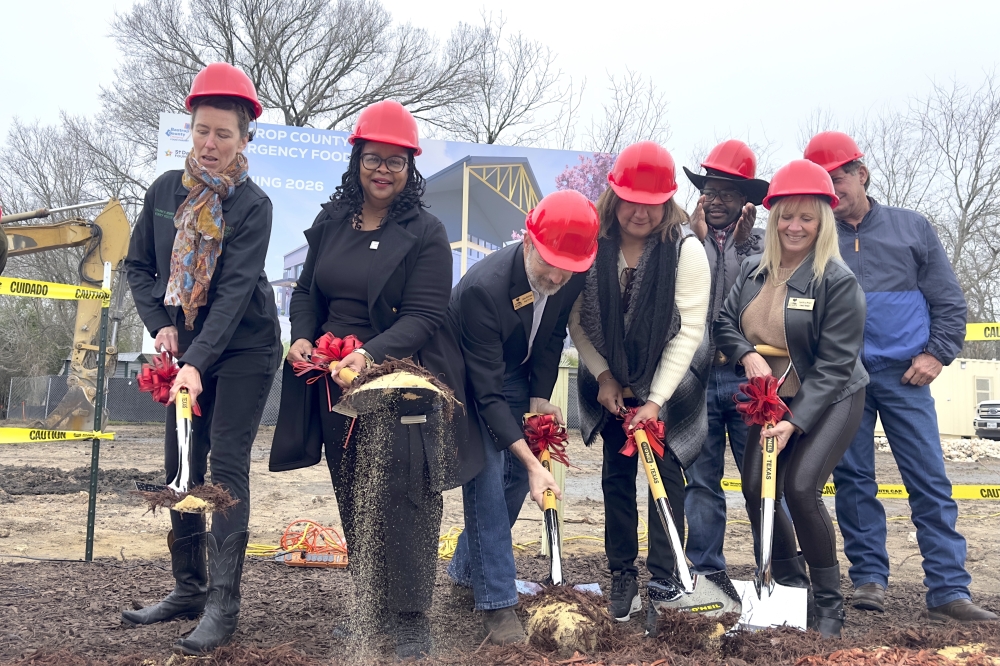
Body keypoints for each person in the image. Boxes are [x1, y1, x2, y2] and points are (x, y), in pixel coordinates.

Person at [268, 100, 484, 660]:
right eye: (373, 159)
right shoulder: (330, 221)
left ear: (409, 168)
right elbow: (308, 291)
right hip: (334, 381)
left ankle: (412, 617)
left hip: (401, 378)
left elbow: (425, 314)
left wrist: (369, 356)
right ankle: (371, 604)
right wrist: (302, 335)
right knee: (353, 491)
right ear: (357, 161)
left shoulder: (426, 231)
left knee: (408, 498)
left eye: (395, 161)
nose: (383, 170)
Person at [806, 131, 999, 623]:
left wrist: (937, 354)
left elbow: (950, 303)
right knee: (853, 480)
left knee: (929, 480)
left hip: (906, 377)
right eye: (823, 181)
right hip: (846, 380)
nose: (833, 187)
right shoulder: (817, 240)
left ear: (861, 173)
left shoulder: (911, 228)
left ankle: (949, 591)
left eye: (839, 176)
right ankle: (869, 579)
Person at [121, 63, 281, 654]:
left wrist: (199, 359)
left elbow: (236, 293)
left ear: (244, 139)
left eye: (224, 135)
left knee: (225, 468)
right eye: (201, 132)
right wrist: (162, 327)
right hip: (186, 344)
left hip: (242, 346)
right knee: (181, 467)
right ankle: (187, 589)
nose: (210, 145)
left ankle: (223, 604)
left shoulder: (252, 206)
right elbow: (140, 266)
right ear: (190, 130)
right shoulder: (164, 192)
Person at [714, 159, 869, 638]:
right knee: (756, 489)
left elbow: (834, 366)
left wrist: (794, 423)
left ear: (822, 221)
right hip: (769, 397)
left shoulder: (836, 282)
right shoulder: (755, 271)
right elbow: (724, 320)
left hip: (831, 395)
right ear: (772, 218)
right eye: (786, 215)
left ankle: (829, 605)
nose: (794, 226)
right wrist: (746, 356)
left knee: (801, 489)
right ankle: (786, 583)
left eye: (806, 217)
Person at [569, 141, 711, 632]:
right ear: (614, 194)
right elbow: (577, 321)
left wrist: (654, 401)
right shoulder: (593, 243)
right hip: (610, 378)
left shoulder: (686, 250)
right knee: (616, 479)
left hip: (668, 381)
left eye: (652, 204)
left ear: (667, 202)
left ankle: (665, 581)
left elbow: (690, 331)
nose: (639, 213)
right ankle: (622, 575)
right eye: (630, 200)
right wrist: (605, 376)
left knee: (666, 484)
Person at [446, 190, 598, 645]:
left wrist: (537, 398)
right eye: (548, 262)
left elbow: (551, 339)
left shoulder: (569, 272)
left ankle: (465, 569)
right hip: (466, 377)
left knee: (515, 476)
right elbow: (487, 396)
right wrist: (536, 466)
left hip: (513, 373)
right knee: (489, 475)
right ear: (529, 241)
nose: (555, 275)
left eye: (566, 267)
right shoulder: (483, 289)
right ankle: (497, 606)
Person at [681, 140, 769, 579]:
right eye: (710, 193)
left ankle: (777, 569)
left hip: (744, 379)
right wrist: (696, 242)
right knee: (702, 481)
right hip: (698, 379)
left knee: (761, 480)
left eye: (727, 195)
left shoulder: (764, 245)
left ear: (745, 202)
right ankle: (706, 572)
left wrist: (740, 246)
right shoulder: (684, 238)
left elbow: (744, 303)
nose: (716, 202)